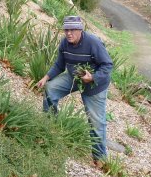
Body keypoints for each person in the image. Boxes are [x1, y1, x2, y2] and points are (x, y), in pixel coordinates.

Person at [36, 16, 113, 162]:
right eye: (66, 30)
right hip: (74, 77)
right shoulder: (65, 43)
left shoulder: (93, 42)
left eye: (72, 30)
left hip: (94, 84)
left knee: (96, 122)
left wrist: (93, 78)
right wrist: (46, 77)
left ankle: (100, 159)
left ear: (80, 30)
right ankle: (50, 127)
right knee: (50, 89)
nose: (69, 33)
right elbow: (60, 65)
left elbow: (108, 65)